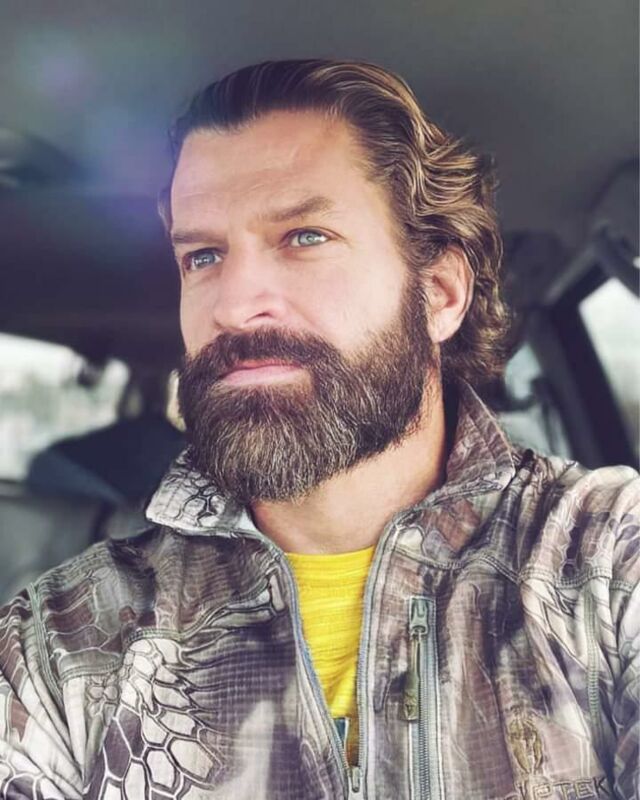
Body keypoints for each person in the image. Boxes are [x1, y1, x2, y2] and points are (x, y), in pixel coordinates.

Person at [0, 59, 637, 800]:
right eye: (202, 255)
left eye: (304, 236)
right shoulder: (60, 638)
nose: (233, 304)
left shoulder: (605, 558)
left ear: (439, 293)